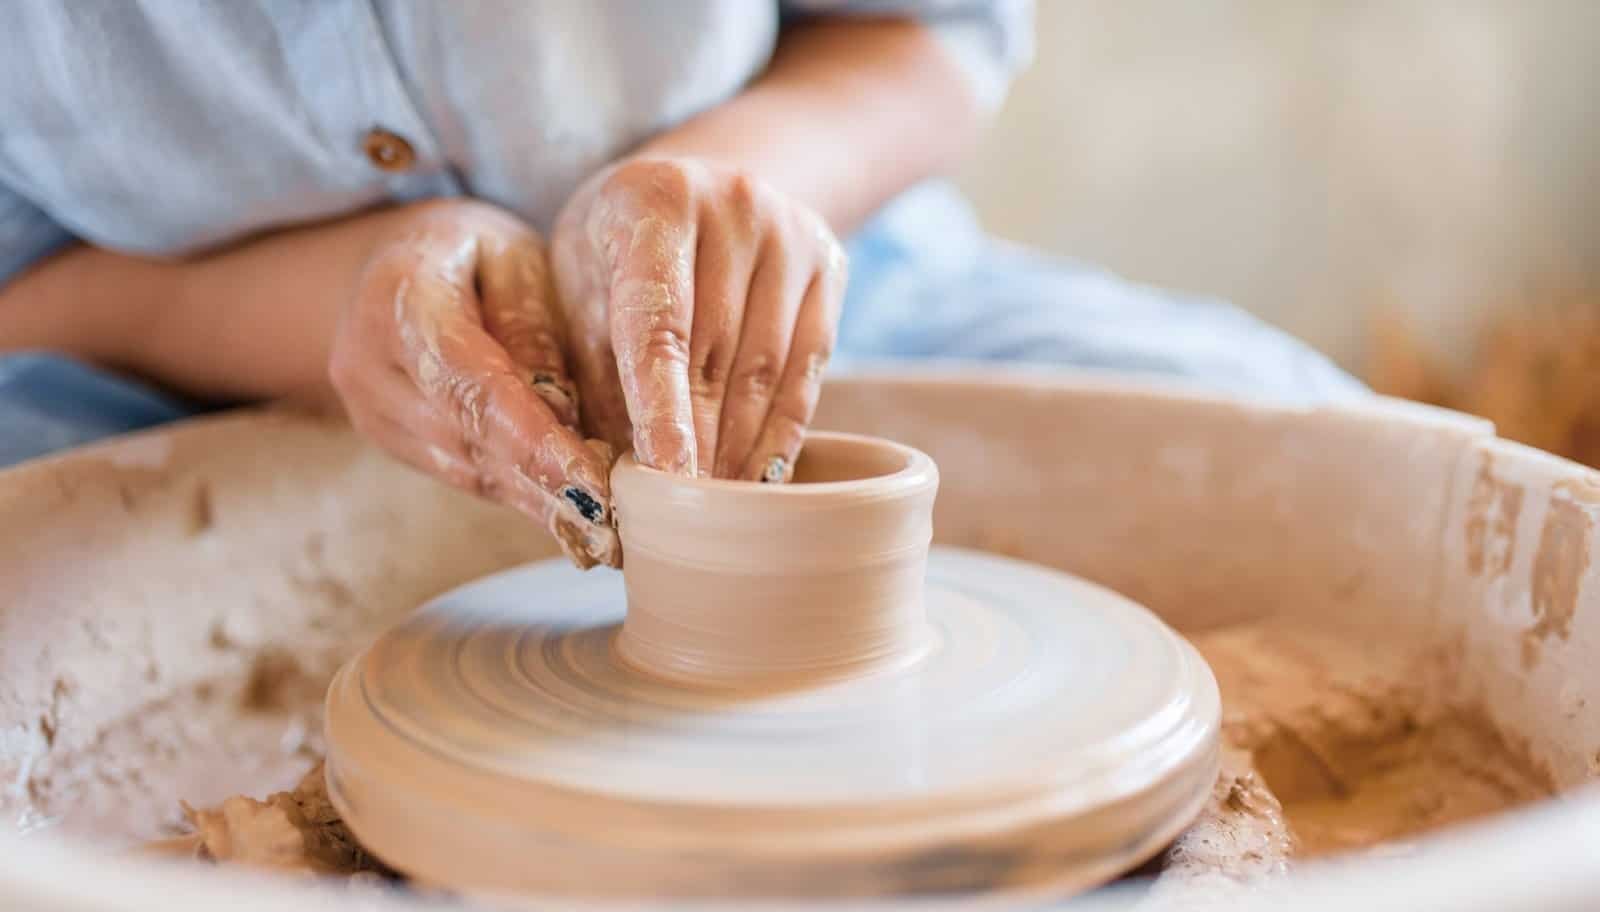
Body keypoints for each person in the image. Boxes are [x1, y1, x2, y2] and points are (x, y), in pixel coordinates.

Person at [0, 2, 1361, 566]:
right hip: (145, 375)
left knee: (1317, 469)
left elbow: (932, 29)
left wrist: (719, 183)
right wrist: (350, 299)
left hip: (790, 283)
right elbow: (28, 291)